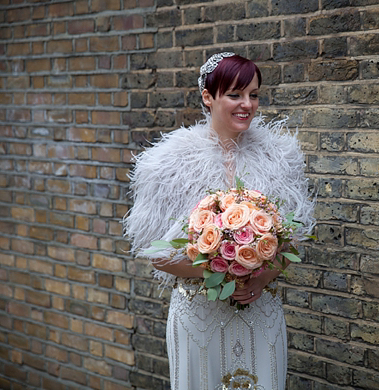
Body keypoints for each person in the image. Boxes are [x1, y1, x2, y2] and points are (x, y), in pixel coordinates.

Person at [123, 53, 315, 390]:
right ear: (208, 97)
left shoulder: (280, 157)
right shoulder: (167, 163)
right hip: (199, 313)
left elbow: (292, 239)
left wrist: (261, 277)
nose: (247, 104)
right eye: (235, 94)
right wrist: (218, 272)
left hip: (259, 307)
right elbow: (155, 252)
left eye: (253, 95)